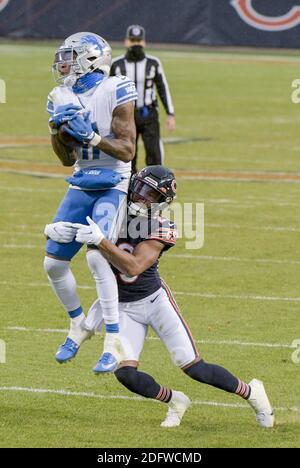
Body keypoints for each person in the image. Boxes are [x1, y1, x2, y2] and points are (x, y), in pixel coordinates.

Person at [46, 165, 274, 429]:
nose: (143, 198)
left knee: (194, 368)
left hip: (154, 301)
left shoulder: (162, 226)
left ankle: (252, 393)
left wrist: (101, 240)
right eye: (142, 190)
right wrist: (52, 230)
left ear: (162, 203)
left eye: (152, 196)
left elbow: (132, 266)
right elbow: (69, 228)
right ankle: (175, 401)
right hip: (120, 306)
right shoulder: (109, 210)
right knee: (126, 375)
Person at [44, 31, 137, 372]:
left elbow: (128, 150)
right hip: (82, 181)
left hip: (114, 180)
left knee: (98, 259)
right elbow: (66, 160)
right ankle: (78, 323)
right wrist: (58, 132)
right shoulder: (59, 95)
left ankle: (113, 339)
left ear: (93, 58)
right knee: (53, 264)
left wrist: (93, 136)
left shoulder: (116, 87)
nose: (63, 63)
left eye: (70, 56)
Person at [110, 25, 176, 173]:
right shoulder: (116, 64)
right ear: (126, 42)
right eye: (133, 40)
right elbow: (107, 93)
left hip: (148, 114)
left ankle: (156, 191)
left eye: (138, 40)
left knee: (154, 155)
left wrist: (170, 114)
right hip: (125, 116)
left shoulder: (153, 63)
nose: (136, 44)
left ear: (144, 42)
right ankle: (128, 192)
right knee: (127, 157)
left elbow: (162, 88)